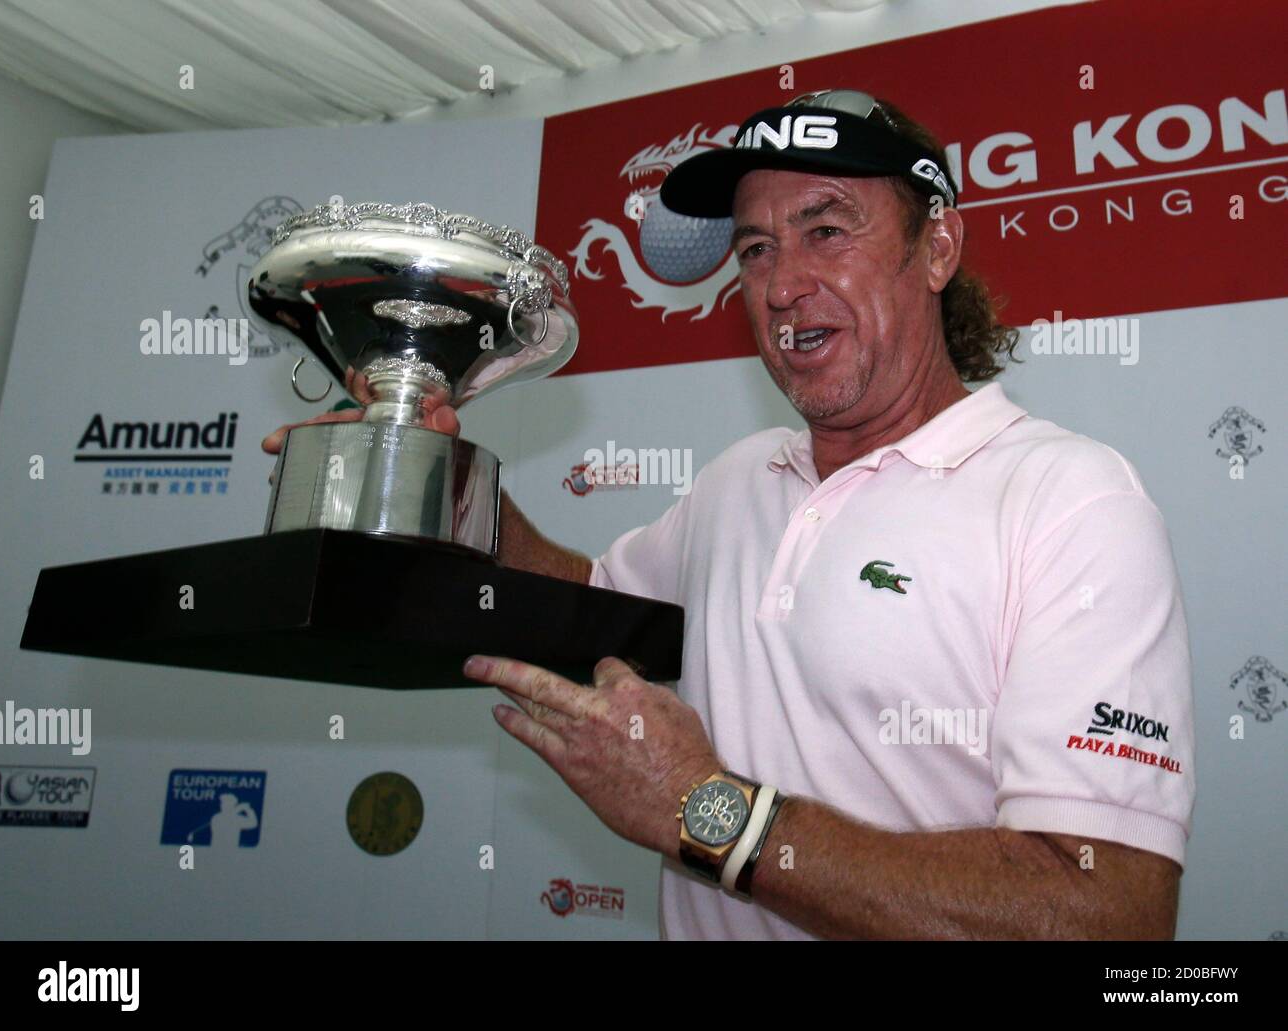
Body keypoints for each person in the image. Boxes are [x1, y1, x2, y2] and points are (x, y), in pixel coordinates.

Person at [263, 90, 1195, 940]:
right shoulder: (739, 481)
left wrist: (709, 811)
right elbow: (591, 608)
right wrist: (441, 471)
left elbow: (1104, 912)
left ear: (937, 248)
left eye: (827, 230)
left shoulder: (1068, 500)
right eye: (756, 249)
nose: (783, 284)